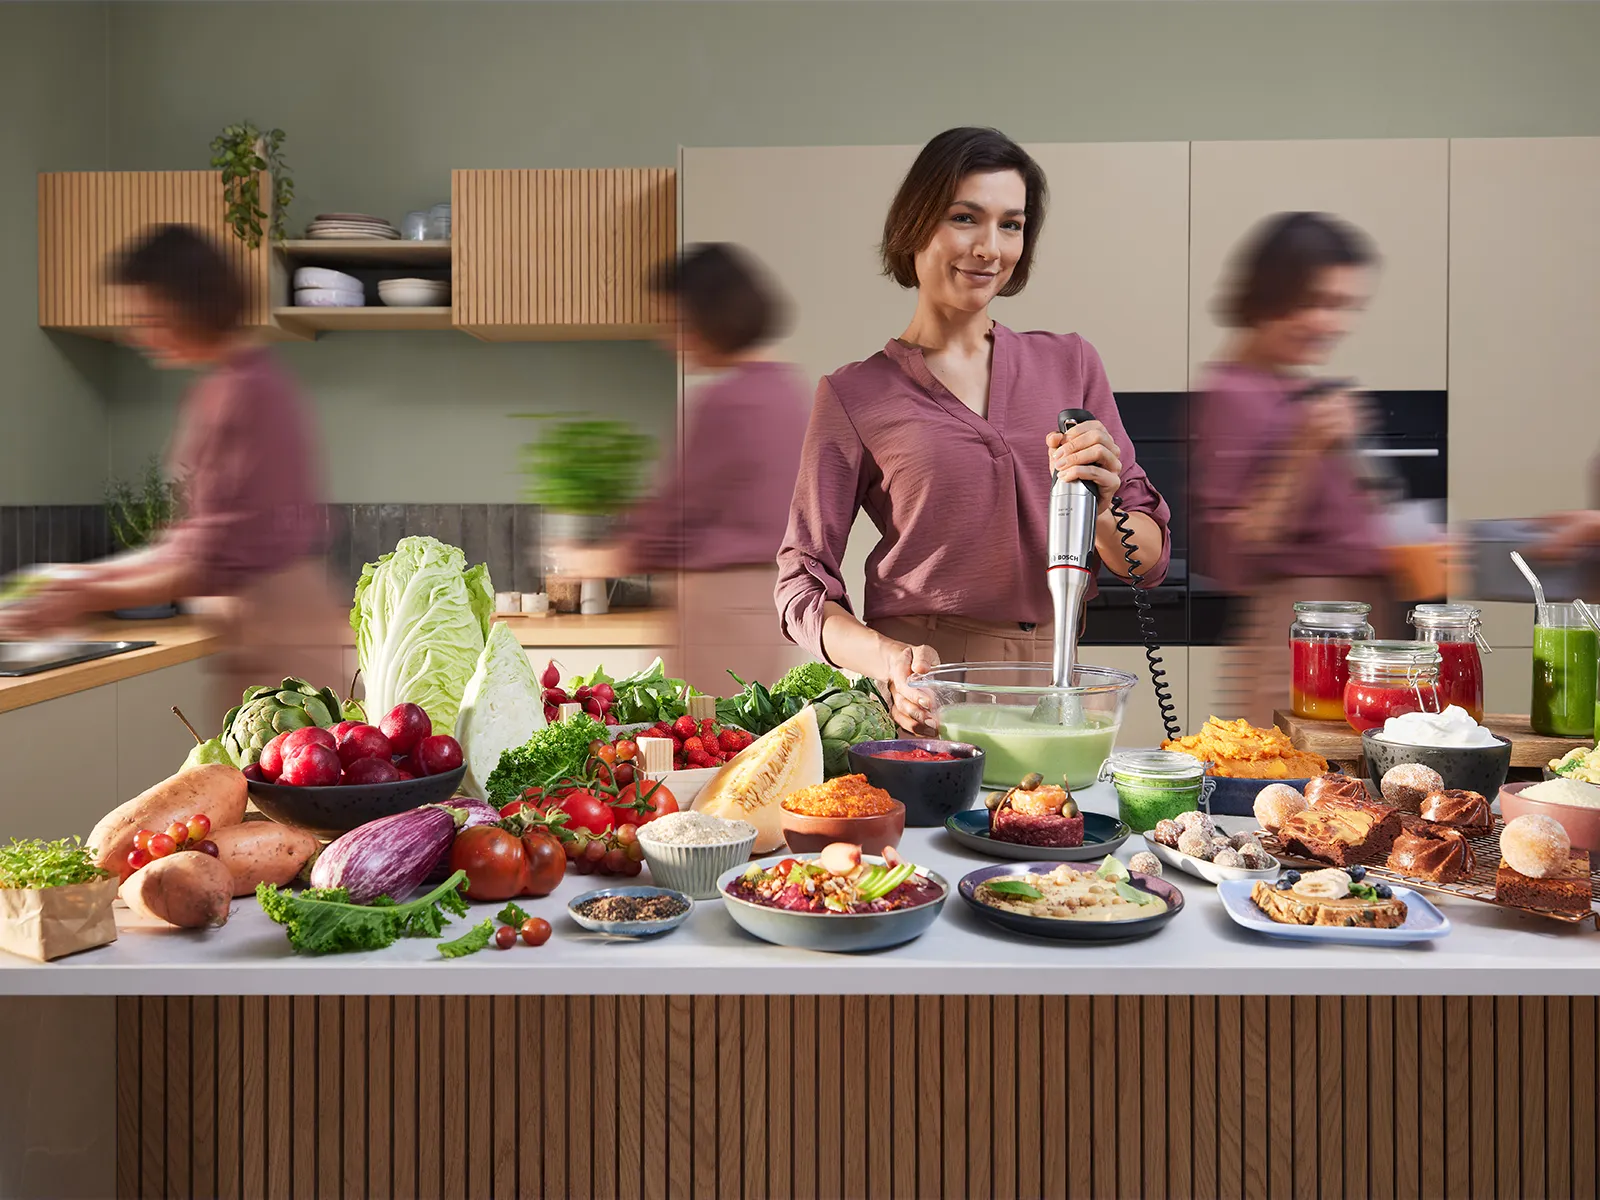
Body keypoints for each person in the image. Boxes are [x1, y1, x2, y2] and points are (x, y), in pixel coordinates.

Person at [774, 127, 1171, 734]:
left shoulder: (1071, 364)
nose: (990, 248)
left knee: (1050, 826)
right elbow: (802, 582)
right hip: (928, 689)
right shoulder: (854, 395)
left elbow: (1144, 562)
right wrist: (890, 662)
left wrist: (1108, 499)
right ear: (914, 226)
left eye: (1011, 224)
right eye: (966, 218)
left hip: (1056, 676)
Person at [0, 224, 347, 727]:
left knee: (283, 793)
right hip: (259, 625)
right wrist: (75, 579)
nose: (138, 332)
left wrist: (83, 590)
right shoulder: (232, 385)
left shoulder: (246, 394)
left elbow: (207, 559)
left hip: (278, 625)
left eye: (149, 315)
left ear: (192, 306)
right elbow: (190, 546)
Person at [1191, 211, 1396, 726]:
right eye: (1318, 303)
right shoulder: (1233, 393)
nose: (1334, 324)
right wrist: (1305, 446)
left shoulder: (1288, 388)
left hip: (1347, 635)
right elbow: (1237, 549)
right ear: (1270, 296)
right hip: (1302, 647)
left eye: (1347, 306)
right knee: (1297, 795)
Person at [608, 244, 813, 694]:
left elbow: (676, 514)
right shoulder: (790, 392)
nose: (669, 338)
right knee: (753, 746)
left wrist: (607, 556)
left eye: (676, 321)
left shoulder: (725, 401)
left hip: (718, 612)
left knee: (703, 749)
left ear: (708, 317)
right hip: (773, 603)